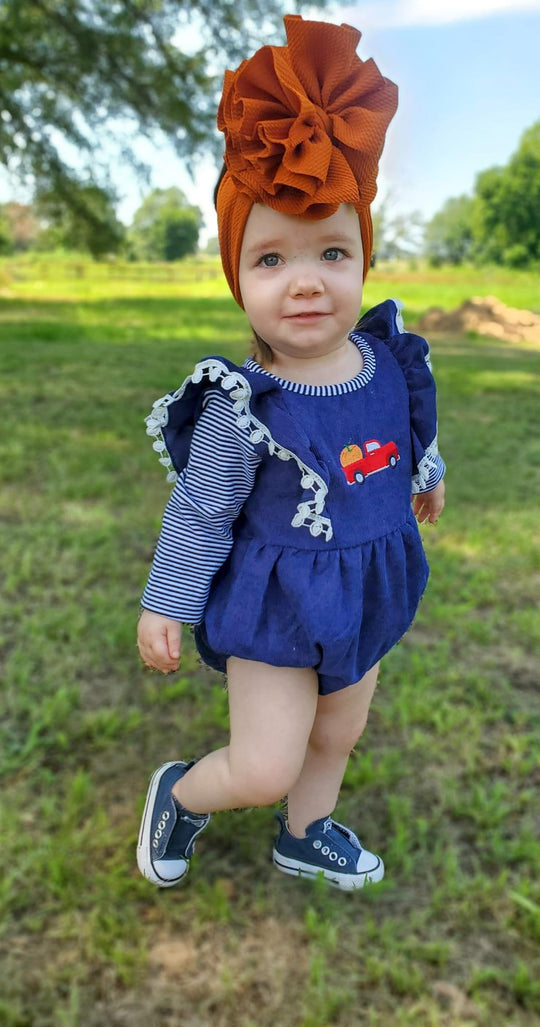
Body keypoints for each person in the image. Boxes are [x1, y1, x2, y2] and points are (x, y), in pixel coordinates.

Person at [136, 14, 445, 892]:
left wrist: (426, 472)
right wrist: (167, 599)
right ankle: (185, 794)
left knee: (336, 731)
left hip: (369, 586)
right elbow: (200, 512)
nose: (306, 280)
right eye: (271, 258)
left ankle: (307, 830)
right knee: (267, 758)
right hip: (277, 608)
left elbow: (404, 433)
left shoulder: (389, 359)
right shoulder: (247, 408)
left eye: (331, 252)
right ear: (238, 275)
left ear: (362, 259)